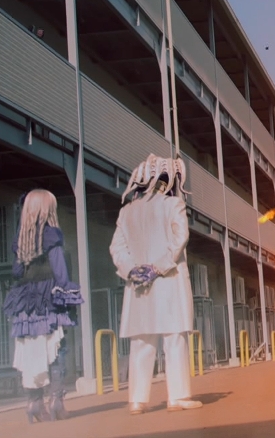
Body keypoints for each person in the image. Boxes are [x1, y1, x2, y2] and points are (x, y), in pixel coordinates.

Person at [110, 154, 202, 415]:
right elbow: (180, 238)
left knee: (141, 341)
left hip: (139, 287)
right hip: (168, 283)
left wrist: (133, 270)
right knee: (174, 339)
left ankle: (137, 400)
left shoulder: (126, 211)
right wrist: (157, 267)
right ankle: (178, 396)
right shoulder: (173, 204)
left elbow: (117, 248)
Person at [3, 189, 84, 423]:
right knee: (56, 348)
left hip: (25, 300)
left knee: (31, 350)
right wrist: (66, 293)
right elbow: (60, 271)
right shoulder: (52, 235)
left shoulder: (21, 238)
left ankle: (34, 404)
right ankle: (57, 402)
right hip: (48, 297)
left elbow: (17, 271)